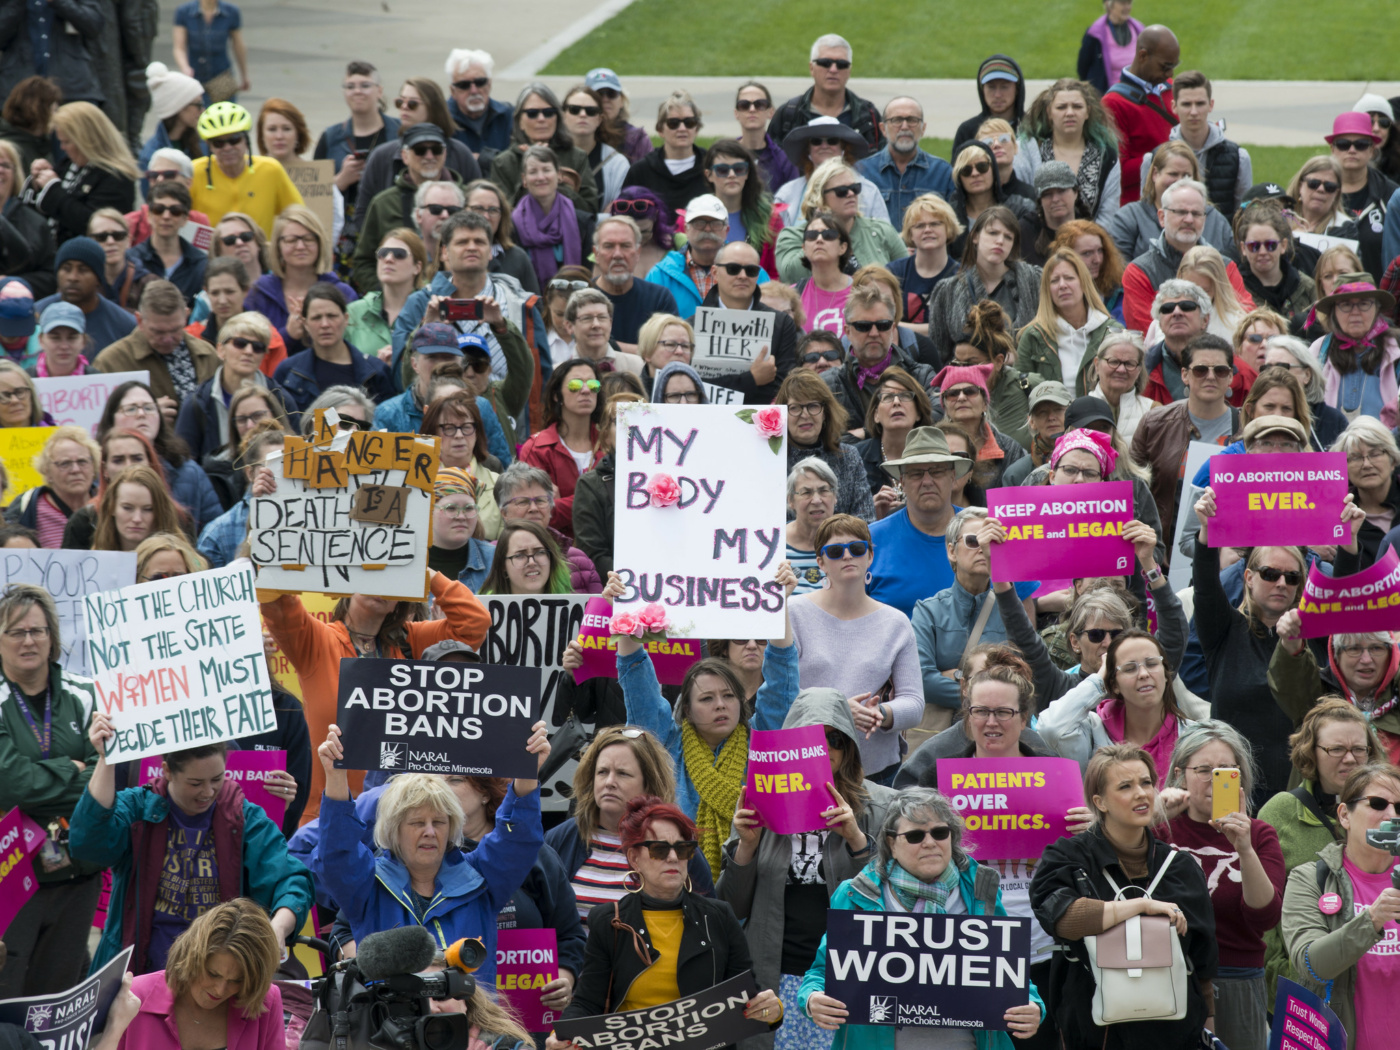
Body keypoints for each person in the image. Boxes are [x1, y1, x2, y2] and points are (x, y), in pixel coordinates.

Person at [72, 700, 312, 973]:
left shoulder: (244, 817)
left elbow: (291, 880)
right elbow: (89, 841)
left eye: (217, 779)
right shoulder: (138, 808)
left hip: (218, 977)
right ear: (167, 772)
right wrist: (106, 759)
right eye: (195, 783)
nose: (208, 792)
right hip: (138, 975)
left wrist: (278, 927)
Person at [259, 546, 489, 824]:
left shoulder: (410, 642)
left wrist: (423, 573)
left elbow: (474, 623)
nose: (380, 583)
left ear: (399, 601)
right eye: (371, 572)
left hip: (396, 819)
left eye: (392, 578)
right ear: (348, 583)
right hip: (326, 812)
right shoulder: (317, 640)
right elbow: (277, 603)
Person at [721, 684, 894, 1050]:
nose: (824, 750)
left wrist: (857, 841)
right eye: (812, 739)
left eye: (835, 740)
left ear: (849, 748)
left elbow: (891, 904)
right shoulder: (761, 799)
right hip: (775, 976)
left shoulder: (882, 806)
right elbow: (732, 908)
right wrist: (746, 848)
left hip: (852, 976)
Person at [802, 786, 1044, 1046]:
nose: (930, 842)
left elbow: (1010, 974)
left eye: (940, 832)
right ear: (891, 844)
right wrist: (812, 998)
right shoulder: (855, 895)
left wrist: (1032, 1006)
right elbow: (821, 972)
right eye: (915, 835)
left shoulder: (980, 890)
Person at [315, 723, 547, 991]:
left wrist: (527, 773)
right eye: (416, 823)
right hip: (390, 1026)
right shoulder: (368, 884)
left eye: (439, 822)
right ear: (394, 830)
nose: (429, 832)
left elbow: (518, 840)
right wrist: (334, 776)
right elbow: (335, 854)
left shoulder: (480, 878)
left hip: (472, 1025)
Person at [549, 796, 779, 1044]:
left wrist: (773, 1010)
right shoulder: (608, 920)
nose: (673, 857)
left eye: (682, 849)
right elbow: (587, 1001)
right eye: (659, 849)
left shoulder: (719, 917)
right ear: (634, 858)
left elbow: (749, 1000)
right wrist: (560, 1037)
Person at [1031, 742, 1216, 1050]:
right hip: (1096, 1032)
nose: (1141, 794)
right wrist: (1142, 906)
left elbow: (1203, 964)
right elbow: (1064, 918)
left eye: (1146, 783)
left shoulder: (1180, 866)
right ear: (1099, 801)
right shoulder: (1065, 857)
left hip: (1172, 1033)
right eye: (1126, 786)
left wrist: (1210, 1030)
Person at [1155, 722, 1287, 1050]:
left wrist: (1243, 847)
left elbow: (1265, 917)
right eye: (1204, 770)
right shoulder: (1160, 831)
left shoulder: (1259, 834)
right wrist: (1150, 815)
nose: (1216, 779)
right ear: (1179, 774)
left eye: (1227, 770)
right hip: (1167, 976)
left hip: (1237, 979)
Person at [0, 584, 102, 998]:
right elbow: (10, 783)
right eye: (16, 631)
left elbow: (107, 775)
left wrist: (45, 777)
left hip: (78, 876)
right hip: (11, 875)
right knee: (8, 990)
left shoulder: (85, 693)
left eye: (38, 631)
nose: (29, 640)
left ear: (52, 637)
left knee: (58, 995)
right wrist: (71, 768)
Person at [1258, 700, 1386, 996]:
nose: (1350, 759)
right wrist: (1282, 975)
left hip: (1380, 981)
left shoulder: (1389, 810)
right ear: (1311, 753)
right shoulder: (1281, 811)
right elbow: (1262, 907)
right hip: (1307, 987)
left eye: (1359, 749)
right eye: (1336, 749)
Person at [1280, 763, 1400, 1050]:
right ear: (1345, 815)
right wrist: (1372, 919)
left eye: (1399, 807)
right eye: (1378, 803)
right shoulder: (1311, 878)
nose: (1392, 816)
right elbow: (1312, 965)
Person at [543, 725, 715, 920]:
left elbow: (708, 920)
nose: (609, 782)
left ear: (647, 784)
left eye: (623, 773)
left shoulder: (677, 844)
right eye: (602, 772)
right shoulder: (560, 839)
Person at [391, 209, 550, 379]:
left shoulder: (521, 304)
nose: (472, 247)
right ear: (444, 252)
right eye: (462, 242)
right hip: (437, 404)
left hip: (505, 404)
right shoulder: (420, 303)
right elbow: (400, 377)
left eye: (480, 242)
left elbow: (541, 374)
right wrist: (425, 328)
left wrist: (502, 328)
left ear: (490, 252)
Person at [112, 899, 282, 1050]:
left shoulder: (267, 1000)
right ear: (190, 957)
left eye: (237, 981)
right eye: (213, 974)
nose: (220, 990)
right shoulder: (135, 996)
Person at [866, 426, 972, 617]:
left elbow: (1019, 603)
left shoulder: (981, 531)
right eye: (916, 473)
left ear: (953, 476)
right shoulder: (869, 540)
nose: (927, 481)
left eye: (937, 471)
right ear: (902, 481)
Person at [1123, 178, 1252, 333]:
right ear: (1162, 217)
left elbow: (1246, 322)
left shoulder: (1225, 267)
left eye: (1196, 213)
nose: (1189, 219)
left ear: (1204, 219)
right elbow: (1145, 334)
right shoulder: (1140, 272)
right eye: (1181, 212)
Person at [351, 122, 459, 292]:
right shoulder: (384, 203)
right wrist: (386, 296)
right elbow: (364, 261)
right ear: (405, 155)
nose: (429, 156)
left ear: (445, 154)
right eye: (420, 150)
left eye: (436, 149)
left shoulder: (465, 197)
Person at [928, 206, 1043, 367]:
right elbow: (939, 354)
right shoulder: (947, 290)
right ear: (975, 236)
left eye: (1008, 237)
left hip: (1024, 380)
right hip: (966, 383)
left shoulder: (1035, 281)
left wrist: (1018, 358)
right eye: (993, 233)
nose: (1000, 241)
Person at [173, 311, 294, 462]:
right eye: (240, 343)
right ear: (220, 349)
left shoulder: (281, 399)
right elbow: (183, 465)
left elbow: (298, 455)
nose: (248, 351)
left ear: (264, 355)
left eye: (257, 347)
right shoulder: (197, 403)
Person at [774, 157, 904, 285]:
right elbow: (790, 275)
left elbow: (907, 276)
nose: (851, 194)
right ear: (820, 196)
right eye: (841, 191)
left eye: (855, 188)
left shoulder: (882, 230)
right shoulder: (792, 235)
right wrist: (822, 229)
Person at [92, 279, 216, 412]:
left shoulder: (206, 353)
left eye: (175, 330)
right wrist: (146, 413)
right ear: (139, 320)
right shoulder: (111, 362)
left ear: (186, 316)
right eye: (158, 332)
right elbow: (99, 420)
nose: (168, 339)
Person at [245, 205, 355, 355]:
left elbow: (354, 346)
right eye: (291, 240)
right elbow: (248, 352)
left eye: (308, 239)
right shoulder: (259, 293)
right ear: (278, 246)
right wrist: (287, 335)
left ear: (319, 242)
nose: (301, 246)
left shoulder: (343, 292)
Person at [25, 101, 138, 246]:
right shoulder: (69, 164)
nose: (62, 147)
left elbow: (92, 224)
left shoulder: (117, 177)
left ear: (85, 140)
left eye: (67, 142)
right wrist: (38, 183)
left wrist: (53, 189)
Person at [1017, 248, 1122, 398]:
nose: (1062, 285)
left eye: (1069, 278)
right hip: (1051, 420)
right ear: (1048, 290)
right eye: (1054, 281)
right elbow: (1018, 394)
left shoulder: (1112, 331)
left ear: (1083, 283)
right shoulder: (1033, 335)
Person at [272, 282, 391, 412]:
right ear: (305, 324)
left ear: (346, 318)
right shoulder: (288, 372)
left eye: (331, 316)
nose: (325, 324)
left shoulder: (376, 373)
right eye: (316, 318)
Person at [1014, 79, 1122, 222]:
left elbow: (1109, 215)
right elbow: (1021, 202)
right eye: (1061, 107)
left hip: (1091, 241)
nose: (1070, 113)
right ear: (1049, 112)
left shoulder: (1107, 157)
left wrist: (1085, 243)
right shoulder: (1030, 150)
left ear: (1087, 112)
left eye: (1077, 107)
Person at [519, 358, 602, 537]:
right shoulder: (536, 448)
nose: (586, 390)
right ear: (557, 395)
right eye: (575, 385)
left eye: (593, 385)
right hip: (556, 550)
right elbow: (539, 513)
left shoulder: (612, 444)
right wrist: (601, 499)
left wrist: (561, 504)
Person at [190, 102, 303, 232]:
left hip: (261, 251)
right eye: (218, 143)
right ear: (209, 146)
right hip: (211, 251)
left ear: (246, 140)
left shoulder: (271, 170)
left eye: (234, 140)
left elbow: (299, 217)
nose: (227, 148)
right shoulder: (194, 172)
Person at [1101, 24, 1180, 206]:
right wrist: (1168, 155)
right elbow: (1117, 172)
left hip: (1178, 202)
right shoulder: (1113, 104)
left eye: (1174, 66)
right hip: (1141, 208)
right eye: (1165, 66)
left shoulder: (1172, 87)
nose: (1170, 73)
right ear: (1143, 55)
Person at [491, 83, 597, 216]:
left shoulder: (576, 157)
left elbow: (590, 211)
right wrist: (531, 174)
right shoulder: (503, 163)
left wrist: (556, 182)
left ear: (557, 118)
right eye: (532, 113)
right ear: (520, 122)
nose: (541, 119)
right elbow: (503, 216)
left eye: (548, 113)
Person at [495, 462, 601, 593]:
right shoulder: (488, 557)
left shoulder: (579, 561)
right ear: (504, 513)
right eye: (522, 502)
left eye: (540, 501)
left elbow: (599, 610)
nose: (534, 509)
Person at [1309, 276, 1400, 427]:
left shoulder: (1396, 347)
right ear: (1334, 311)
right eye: (1346, 305)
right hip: (1330, 448)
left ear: (1377, 308)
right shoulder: (1318, 350)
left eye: (1364, 304)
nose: (1355, 312)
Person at [854, 97, 955, 230]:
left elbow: (953, 226)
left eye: (912, 120)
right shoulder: (862, 172)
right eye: (896, 120)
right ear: (883, 129)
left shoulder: (942, 172)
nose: (905, 126)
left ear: (923, 128)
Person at [769, 33, 883, 151]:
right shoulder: (788, 114)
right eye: (825, 63)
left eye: (842, 64)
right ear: (811, 68)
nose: (833, 70)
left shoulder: (869, 115)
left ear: (849, 70)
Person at [195, 421, 285, 567]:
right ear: (250, 473)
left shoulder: (317, 520)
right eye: (273, 466)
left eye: (289, 465)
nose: (282, 474)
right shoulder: (218, 533)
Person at [422, 390, 507, 538]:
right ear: (432, 433)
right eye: (449, 428)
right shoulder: (417, 484)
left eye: (467, 427)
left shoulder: (499, 484)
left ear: (477, 432)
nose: (459, 435)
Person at [773, 116, 884, 230]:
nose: (824, 146)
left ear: (843, 148)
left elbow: (884, 236)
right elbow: (776, 239)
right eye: (816, 141)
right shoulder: (787, 193)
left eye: (832, 140)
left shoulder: (869, 191)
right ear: (808, 150)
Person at [2, 424, 96, 544]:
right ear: (47, 472)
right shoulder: (26, 509)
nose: (75, 469)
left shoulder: (108, 506)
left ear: (94, 467)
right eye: (65, 463)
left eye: (82, 461)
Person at [1144, 245, 1251, 348]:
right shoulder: (1159, 324)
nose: (1197, 299)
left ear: (1218, 287)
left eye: (1204, 291)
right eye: (1190, 291)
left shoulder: (1238, 325)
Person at [124, 182, 206, 307]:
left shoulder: (201, 264)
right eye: (159, 209)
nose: (166, 216)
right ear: (149, 215)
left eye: (175, 211)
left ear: (185, 219)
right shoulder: (130, 259)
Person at [887, 193, 961, 330]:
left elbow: (959, 329)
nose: (927, 230)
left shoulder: (963, 276)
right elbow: (883, 323)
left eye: (935, 224)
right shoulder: (893, 273)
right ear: (910, 234)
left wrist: (900, 327)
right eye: (920, 226)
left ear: (948, 228)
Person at [1236, 201, 1315, 327]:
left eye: (1270, 245)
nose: (1262, 252)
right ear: (1243, 248)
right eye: (1254, 246)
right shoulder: (1234, 291)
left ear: (1283, 245)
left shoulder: (1307, 287)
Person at [560, 83, 628, 210]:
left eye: (590, 111)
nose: (582, 114)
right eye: (574, 109)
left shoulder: (616, 163)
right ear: (563, 115)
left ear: (599, 119)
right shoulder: (548, 156)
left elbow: (618, 213)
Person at [0, 139, 54, 295]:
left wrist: (10, 283)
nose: (0, 170)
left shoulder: (35, 223)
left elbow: (50, 277)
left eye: (6, 166)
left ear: (15, 174)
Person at [952, 55, 1027, 158]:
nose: (997, 95)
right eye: (991, 87)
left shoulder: (1033, 127)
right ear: (982, 90)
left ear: (1017, 89)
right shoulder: (967, 131)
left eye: (1004, 87)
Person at [445, 49, 511, 158]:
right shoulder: (441, 119)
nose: (474, 91)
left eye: (480, 82)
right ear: (453, 91)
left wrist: (481, 159)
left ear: (489, 84)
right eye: (464, 85)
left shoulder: (507, 116)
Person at [1079, 1, 1145, 94]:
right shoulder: (1094, 34)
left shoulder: (1140, 30)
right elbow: (1083, 68)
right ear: (1109, 5)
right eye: (1122, 3)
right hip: (1105, 97)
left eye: (1129, 3)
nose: (1127, 7)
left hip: (1135, 96)